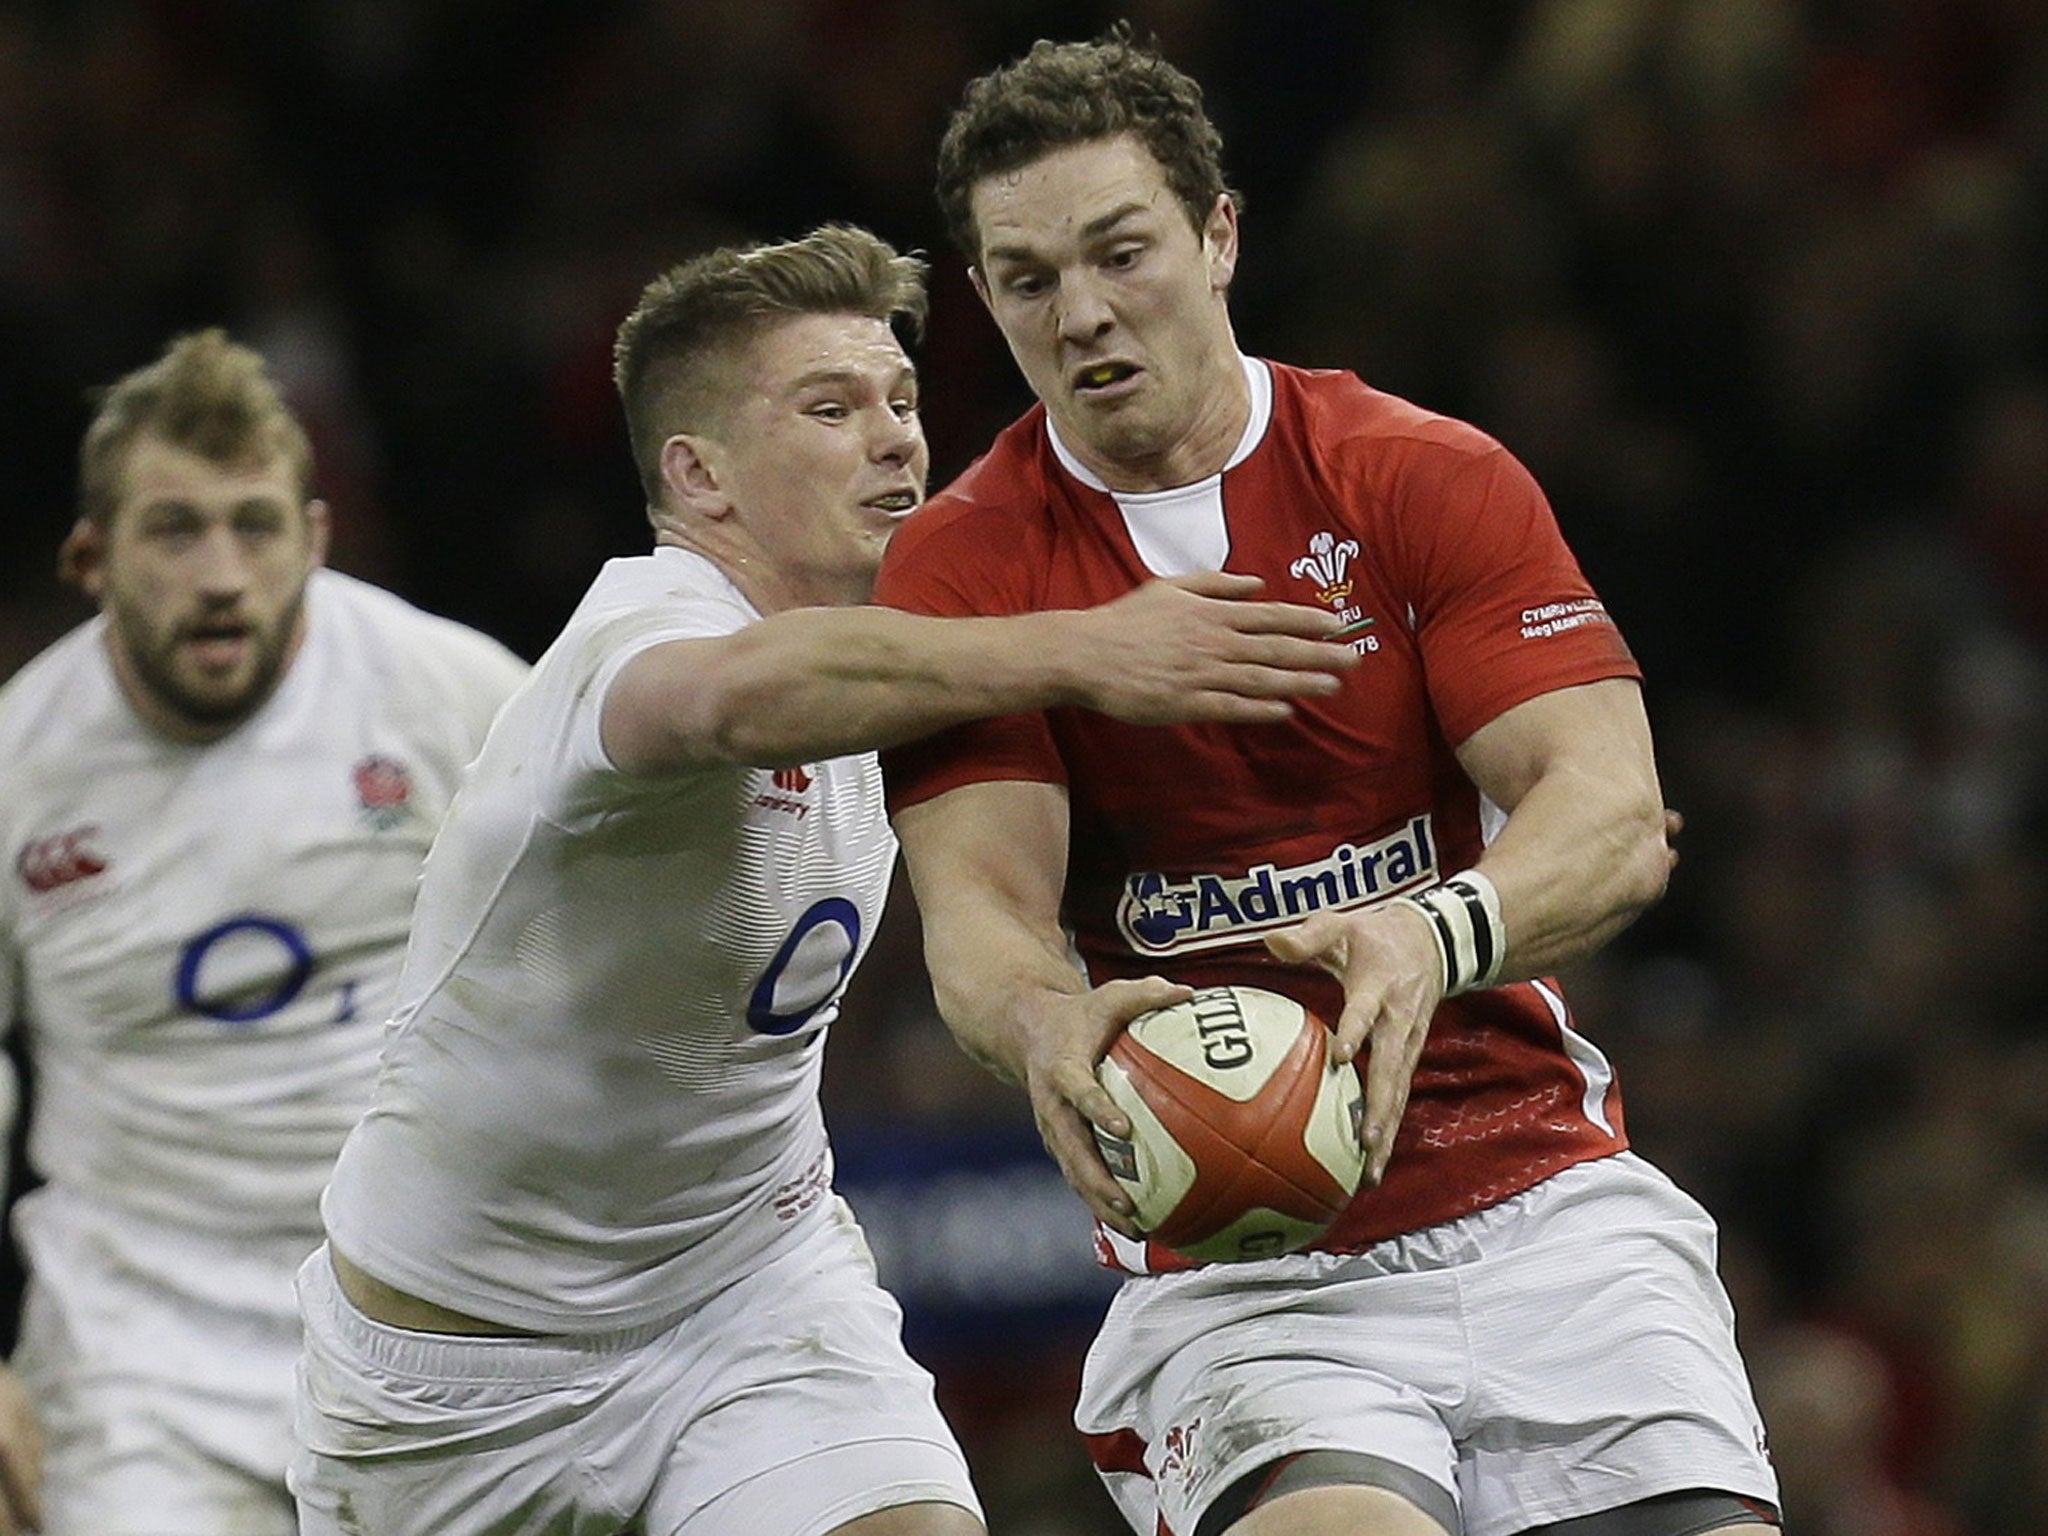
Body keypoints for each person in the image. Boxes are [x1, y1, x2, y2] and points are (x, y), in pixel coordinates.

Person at [290, 223, 1354, 1536]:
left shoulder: (904, 660)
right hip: (460, 1382)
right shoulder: (638, 639)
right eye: (832, 407)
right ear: (703, 475)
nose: (898, 438)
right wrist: (1085, 649)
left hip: (753, 1297)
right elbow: (735, 704)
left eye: (902, 401)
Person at [874, 32, 1783, 1536]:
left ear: (1219, 236)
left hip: (1539, 1199)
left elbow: (1611, 818)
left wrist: (1429, 938)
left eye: (1122, 252)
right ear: (983, 299)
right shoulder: (963, 567)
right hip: (1243, 1266)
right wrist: (1042, 1026)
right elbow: (980, 914)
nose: (1084, 312)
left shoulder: (1422, 477)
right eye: (1028, 280)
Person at [0, 328, 531, 1536]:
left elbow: (616, 952)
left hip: (439, 1310)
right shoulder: (17, 767)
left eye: (255, 525)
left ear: (317, 537)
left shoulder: (453, 695)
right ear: (91, 557)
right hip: (142, 1349)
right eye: (175, 531)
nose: (223, 572)